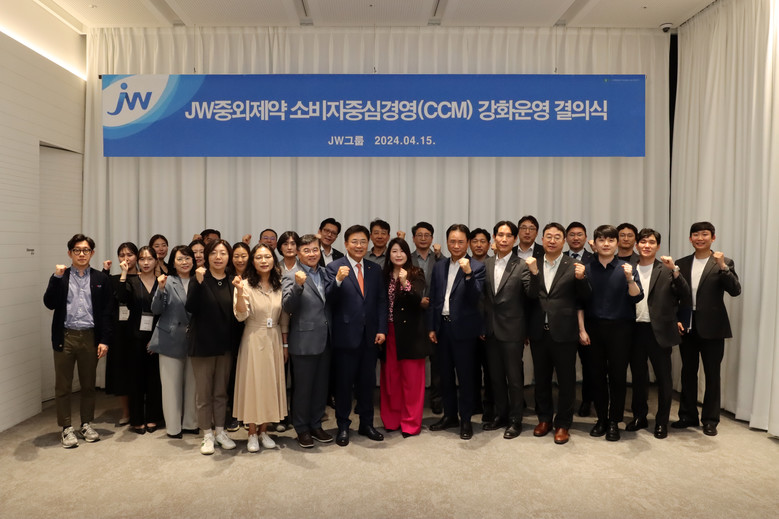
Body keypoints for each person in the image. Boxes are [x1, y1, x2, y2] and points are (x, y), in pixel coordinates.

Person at [43, 233, 113, 448]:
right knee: (63, 386)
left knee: (88, 385)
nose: (81, 254)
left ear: (92, 253)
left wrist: (104, 340)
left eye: (86, 250)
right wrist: (55, 278)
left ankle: (86, 424)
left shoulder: (100, 279)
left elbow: (107, 312)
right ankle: (66, 428)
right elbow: (49, 303)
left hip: (90, 337)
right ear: (69, 253)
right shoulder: (61, 276)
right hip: (65, 337)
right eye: (77, 250)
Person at [673, 221, 741, 436]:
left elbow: (735, 290)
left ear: (713, 238)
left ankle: (710, 420)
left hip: (713, 326)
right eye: (695, 234)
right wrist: (675, 319)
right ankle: (687, 415)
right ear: (690, 238)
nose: (700, 238)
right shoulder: (681, 263)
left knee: (712, 374)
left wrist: (723, 267)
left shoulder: (724, 262)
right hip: (687, 324)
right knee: (688, 372)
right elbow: (674, 294)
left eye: (704, 234)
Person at [324, 224, 388, 447]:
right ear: (346, 244)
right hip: (345, 336)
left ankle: (366, 424)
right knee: (343, 385)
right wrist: (338, 281)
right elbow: (328, 300)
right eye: (354, 242)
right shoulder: (334, 267)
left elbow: (381, 301)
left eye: (363, 242)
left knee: (367, 383)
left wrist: (381, 329)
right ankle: (343, 426)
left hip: (370, 337)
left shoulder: (374, 269)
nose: (359, 246)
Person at [528, 223, 591, 445]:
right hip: (539, 331)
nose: (552, 240)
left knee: (566, 381)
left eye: (557, 237)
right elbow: (529, 296)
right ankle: (544, 419)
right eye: (548, 236)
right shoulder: (533, 263)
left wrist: (582, 279)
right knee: (541, 379)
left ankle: (563, 423)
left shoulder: (574, 265)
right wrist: (533, 274)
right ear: (542, 239)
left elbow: (585, 297)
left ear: (564, 241)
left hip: (564, 332)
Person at [580, 225, 643, 441]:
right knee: (596, 376)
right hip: (593, 328)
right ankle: (601, 420)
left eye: (610, 240)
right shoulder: (586, 268)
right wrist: (582, 330)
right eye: (601, 240)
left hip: (621, 329)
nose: (606, 244)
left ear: (617, 244)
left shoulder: (627, 267)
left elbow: (637, 296)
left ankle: (615, 421)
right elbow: (579, 302)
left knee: (618, 377)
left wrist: (630, 278)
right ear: (595, 243)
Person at [627, 229, 691, 439]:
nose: (647, 245)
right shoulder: (628, 268)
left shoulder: (666, 269)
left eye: (651, 242)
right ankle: (639, 416)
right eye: (643, 242)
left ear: (658, 246)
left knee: (664, 379)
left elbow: (685, 294)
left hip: (660, 330)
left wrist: (675, 270)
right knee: (638, 377)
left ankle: (662, 421)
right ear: (637, 245)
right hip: (635, 329)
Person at [428, 224, 486, 440]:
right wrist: (431, 326)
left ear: (467, 243)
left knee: (466, 377)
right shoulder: (439, 266)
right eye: (452, 241)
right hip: (442, 328)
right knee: (445, 376)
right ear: (447, 242)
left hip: (464, 330)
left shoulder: (477, 266)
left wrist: (468, 274)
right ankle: (449, 415)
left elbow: (476, 297)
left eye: (461, 241)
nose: (456, 245)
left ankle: (466, 419)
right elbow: (434, 298)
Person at [481, 221, 539, 439]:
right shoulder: (486, 263)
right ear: (494, 238)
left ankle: (516, 420)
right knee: (495, 378)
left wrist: (535, 273)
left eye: (508, 236)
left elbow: (532, 294)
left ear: (514, 239)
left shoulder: (522, 265)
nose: (503, 239)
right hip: (491, 329)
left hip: (513, 330)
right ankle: (501, 415)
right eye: (500, 235)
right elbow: (484, 298)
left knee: (514, 379)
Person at [186, 239, 242, 454]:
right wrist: (199, 283)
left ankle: (220, 431)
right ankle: (207, 434)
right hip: (202, 345)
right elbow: (191, 307)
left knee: (221, 392)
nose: (218, 257)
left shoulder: (232, 281)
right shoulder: (199, 278)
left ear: (229, 257)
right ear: (206, 256)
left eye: (223, 253)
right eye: (214, 253)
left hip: (225, 346)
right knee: (203, 394)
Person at [232, 244, 290, 453]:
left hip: (274, 337)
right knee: (253, 384)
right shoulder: (244, 284)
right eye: (259, 257)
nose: (264, 261)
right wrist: (239, 292)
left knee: (271, 384)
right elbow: (241, 315)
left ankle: (264, 430)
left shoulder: (279, 284)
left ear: (273, 259)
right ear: (253, 261)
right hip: (253, 337)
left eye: (267, 257)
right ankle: (251, 432)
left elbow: (284, 318)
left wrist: (285, 344)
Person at [282, 234, 334, 448]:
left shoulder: (325, 272)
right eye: (307, 250)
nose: (312, 254)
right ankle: (302, 428)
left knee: (321, 387)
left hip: (326, 338)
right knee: (303, 389)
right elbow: (287, 306)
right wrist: (298, 286)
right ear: (298, 253)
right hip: (303, 340)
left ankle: (316, 424)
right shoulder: (291, 275)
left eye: (315, 249)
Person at [380, 237, 431, 437]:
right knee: (391, 380)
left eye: (402, 251)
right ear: (389, 255)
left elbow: (419, 300)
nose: (398, 255)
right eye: (394, 251)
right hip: (389, 333)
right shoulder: (383, 275)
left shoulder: (416, 273)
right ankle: (392, 420)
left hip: (411, 333)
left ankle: (410, 423)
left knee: (412, 381)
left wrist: (404, 282)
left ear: (407, 254)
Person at [149, 245, 199, 439]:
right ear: (173, 262)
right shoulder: (167, 281)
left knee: (193, 385)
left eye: (187, 258)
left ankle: (191, 423)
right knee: (171, 386)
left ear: (193, 260)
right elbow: (155, 309)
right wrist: (160, 289)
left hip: (195, 339)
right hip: (170, 338)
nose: (184, 262)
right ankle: (173, 427)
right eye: (180, 259)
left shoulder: (199, 280)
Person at [117, 245, 162, 434]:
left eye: (149, 259)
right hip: (134, 336)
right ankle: (136, 419)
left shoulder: (162, 282)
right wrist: (123, 274)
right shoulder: (131, 281)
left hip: (157, 336)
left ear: (156, 261)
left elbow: (165, 311)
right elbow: (121, 298)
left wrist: (156, 339)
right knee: (135, 379)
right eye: (142, 259)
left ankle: (153, 417)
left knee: (154, 379)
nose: (145, 262)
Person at [102, 242, 138, 426]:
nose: (126, 258)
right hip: (119, 331)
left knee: (138, 370)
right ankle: (126, 412)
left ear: (137, 257)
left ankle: (140, 410)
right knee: (122, 371)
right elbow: (103, 299)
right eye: (122, 255)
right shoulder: (114, 279)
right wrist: (105, 271)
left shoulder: (143, 276)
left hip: (138, 329)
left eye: (130, 254)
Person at [564, 221, 594, 416]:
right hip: (564, 319)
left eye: (579, 234)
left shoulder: (594, 258)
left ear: (585, 237)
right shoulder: (560, 258)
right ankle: (566, 402)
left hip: (588, 319)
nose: (576, 238)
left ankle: (587, 401)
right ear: (566, 238)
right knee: (565, 365)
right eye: (572, 234)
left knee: (589, 364)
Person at [468, 226, 494, 420]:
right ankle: (473, 403)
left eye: (482, 241)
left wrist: (484, 325)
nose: (478, 245)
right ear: (469, 244)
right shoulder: (464, 264)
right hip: (467, 326)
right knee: (470, 368)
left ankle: (490, 406)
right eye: (475, 241)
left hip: (488, 326)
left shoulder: (493, 265)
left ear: (489, 244)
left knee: (490, 369)